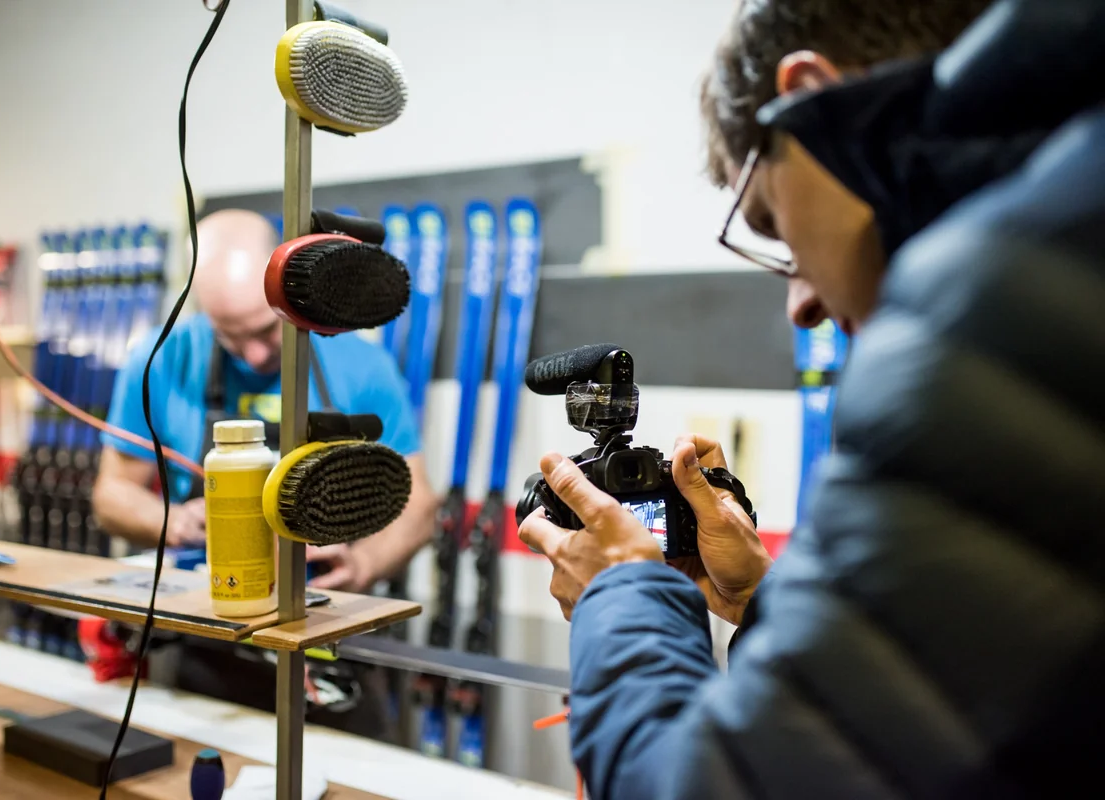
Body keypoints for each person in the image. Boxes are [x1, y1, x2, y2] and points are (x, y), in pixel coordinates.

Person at [519, 0, 1105, 797]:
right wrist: (766, 598)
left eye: (774, 227)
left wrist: (621, 593)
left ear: (811, 92)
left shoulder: (995, 308)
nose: (801, 302)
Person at [92, 208, 438, 735]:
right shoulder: (163, 357)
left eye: (264, 329)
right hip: (209, 634)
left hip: (328, 628)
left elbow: (420, 507)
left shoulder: (360, 363)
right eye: (231, 337)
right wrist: (180, 522)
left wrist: (364, 561)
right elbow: (112, 494)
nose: (253, 354)